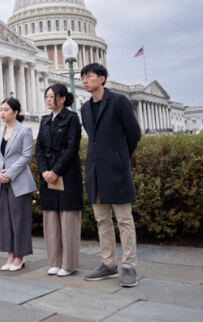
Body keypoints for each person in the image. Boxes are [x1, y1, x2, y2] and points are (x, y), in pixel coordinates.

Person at [80, 63, 142, 287]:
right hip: (95, 171)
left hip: (116, 170)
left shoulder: (118, 102)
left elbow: (134, 133)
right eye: (83, 77)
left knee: (124, 221)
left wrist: (120, 157)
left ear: (102, 79)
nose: (85, 80)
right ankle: (108, 264)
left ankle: (129, 267)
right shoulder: (85, 109)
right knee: (102, 221)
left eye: (89, 76)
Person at [35, 84, 83, 277]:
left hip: (67, 174)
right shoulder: (45, 120)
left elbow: (72, 149)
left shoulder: (72, 118)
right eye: (46, 96)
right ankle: (54, 261)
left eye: (51, 96)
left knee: (68, 219)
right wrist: (45, 170)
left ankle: (69, 263)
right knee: (51, 219)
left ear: (62, 98)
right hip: (48, 175)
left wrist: (56, 170)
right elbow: (39, 148)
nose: (47, 99)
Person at [0, 97, 36, 271]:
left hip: (19, 181)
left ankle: (20, 256)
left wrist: (9, 173)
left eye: (6, 109)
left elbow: (26, 155)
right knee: (4, 220)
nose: (2, 113)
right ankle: (10, 254)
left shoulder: (25, 131)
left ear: (16, 112)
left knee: (20, 219)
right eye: (1, 109)